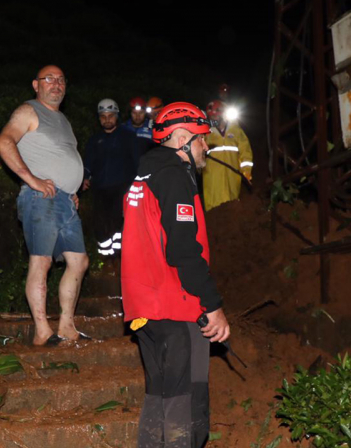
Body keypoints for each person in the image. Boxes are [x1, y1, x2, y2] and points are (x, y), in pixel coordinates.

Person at [121, 102, 230, 447]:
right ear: (182, 138)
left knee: (160, 396)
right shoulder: (174, 177)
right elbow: (183, 251)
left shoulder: (145, 175)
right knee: (187, 403)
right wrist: (212, 305)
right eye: (201, 140)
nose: (206, 147)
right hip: (174, 306)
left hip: (146, 309)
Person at [0, 65, 89, 346]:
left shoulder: (63, 120)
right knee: (42, 261)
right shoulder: (29, 111)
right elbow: (3, 143)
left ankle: (67, 326)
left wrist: (71, 189)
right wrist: (32, 180)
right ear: (36, 85)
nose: (56, 84)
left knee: (79, 261)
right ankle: (42, 331)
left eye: (61, 79)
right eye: (49, 79)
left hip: (65, 202)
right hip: (42, 199)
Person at [82, 99, 140, 262]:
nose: (107, 119)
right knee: (100, 223)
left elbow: (137, 161)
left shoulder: (128, 136)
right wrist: (85, 176)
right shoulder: (95, 140)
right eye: (103, 116)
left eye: (110, 116)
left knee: (117, 222)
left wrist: (139, 181)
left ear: (117, 116)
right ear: (99, 118)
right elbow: (89, 161)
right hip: (100, 187)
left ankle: (120, 257)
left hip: (122, 186)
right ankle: (105, 257)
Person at [202, 100, 253, 211]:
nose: (213, 120)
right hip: (212, 177)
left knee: (232, 206)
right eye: (211, 118)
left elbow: (245, 151)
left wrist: (247, 171)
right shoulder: (205, 132)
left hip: (233, 176)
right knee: (213, 208)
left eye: (215, 117)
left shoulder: (236, 130)